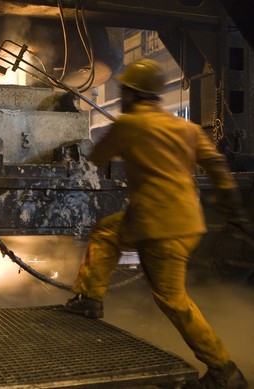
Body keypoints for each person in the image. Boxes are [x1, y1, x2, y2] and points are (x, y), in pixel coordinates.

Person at [64, 59, 249, 388]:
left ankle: (224, 370)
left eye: (124, 92)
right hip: (187, 222)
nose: (121, 97)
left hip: (156, 226)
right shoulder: (188, 129)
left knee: (173, 300)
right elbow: (218, 169)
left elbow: (96, 156)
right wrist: (234, 213)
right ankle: (89, 299)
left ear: (135, 95)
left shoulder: (130, 124)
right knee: (107, 233)